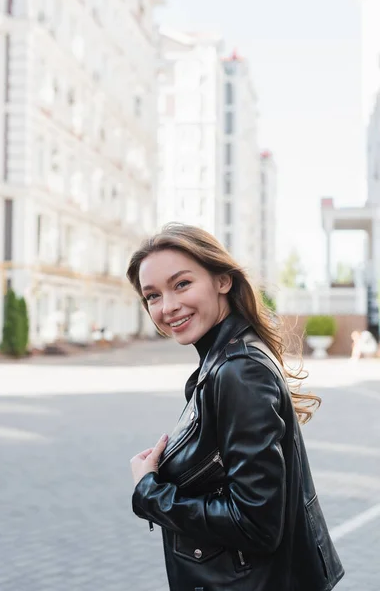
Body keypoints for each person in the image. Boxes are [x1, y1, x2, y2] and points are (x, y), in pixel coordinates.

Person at [127, 223, 344, 591]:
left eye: (182, 284)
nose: (168, 307)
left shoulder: (238, 371)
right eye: (152, 296)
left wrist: (150, 492)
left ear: (222, 280)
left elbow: (255, 523)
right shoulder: (223, 362)